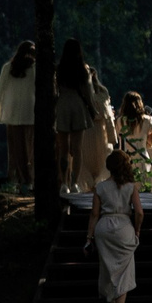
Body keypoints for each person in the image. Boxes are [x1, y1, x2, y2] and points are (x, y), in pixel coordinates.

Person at [90, 147, 145, 303]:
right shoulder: (131, 187)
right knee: (125, 270)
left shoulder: (100, 187)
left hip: (104, 228)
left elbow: (94, 214)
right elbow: (139, 212)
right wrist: (136, 231)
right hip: (123, 229)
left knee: (106, 266)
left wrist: (88, 238)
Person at [51, 40, 113, 191]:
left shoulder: (59, 70)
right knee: (77, 149)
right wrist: (92, 110)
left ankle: (64, 183)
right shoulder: (83, 70)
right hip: (78, 107)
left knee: (63, 148)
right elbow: (88, 92)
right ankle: (74, 183)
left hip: (63, 105)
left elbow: (54, 91)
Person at [0, 41, 37, 191]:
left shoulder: (9, 68)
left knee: (15, 149)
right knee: (30, 148)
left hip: (11, 112)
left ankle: (19, 179)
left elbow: (0, 92)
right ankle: (30, 180)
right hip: (30, 112)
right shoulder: (35, 68)